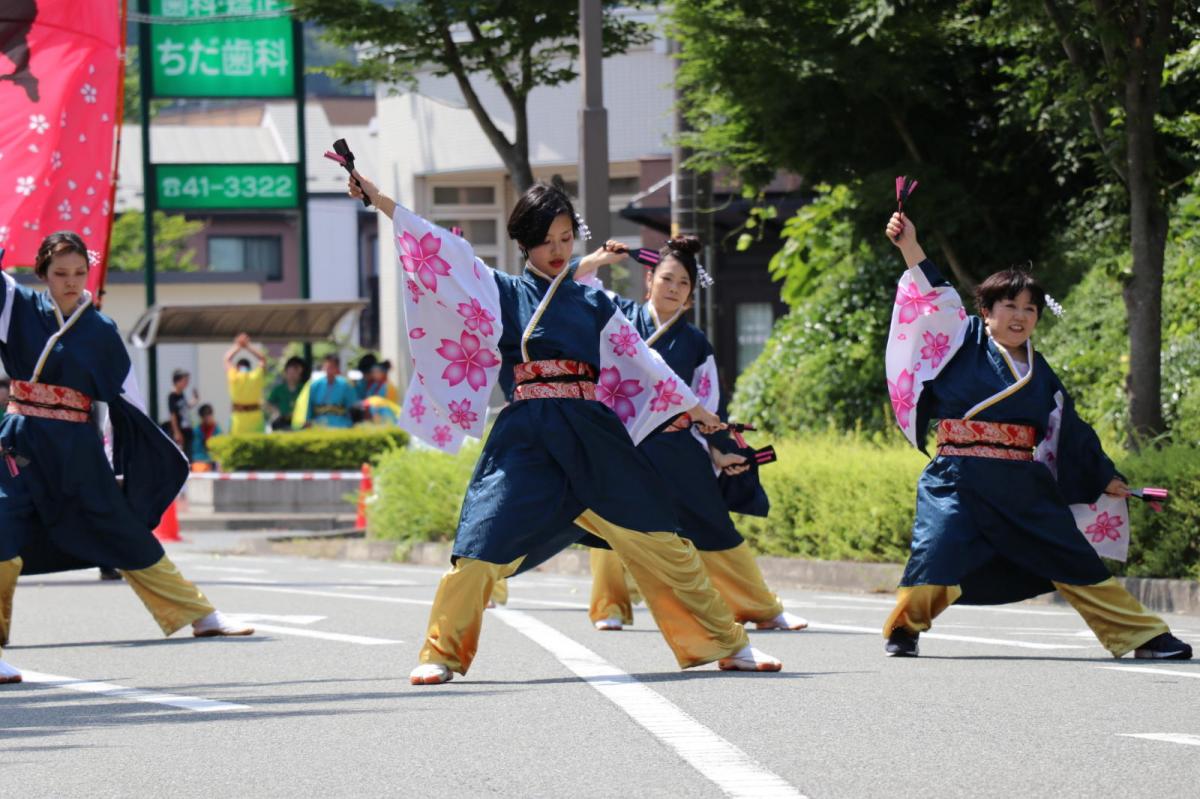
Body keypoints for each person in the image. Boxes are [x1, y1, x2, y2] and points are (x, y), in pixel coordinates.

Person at [348, 170, 783, 685]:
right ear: (524, 241)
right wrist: (378, 199)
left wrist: (709, 423)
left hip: (592, 435)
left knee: (664, 541)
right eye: (545, 241)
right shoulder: (502, 291)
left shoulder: (597, 303)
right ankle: (441, 652)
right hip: (528, 436)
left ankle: (727, 643)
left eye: (565, 239)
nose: (557, 250)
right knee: (478, 547)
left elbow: (643, 365)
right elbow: (441, 249)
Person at [879, 212, 1191, 660]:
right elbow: (936, 295)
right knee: (937, 554)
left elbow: (1072, 432)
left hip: (1021, 485)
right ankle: (904, 627)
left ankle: (1142, 636)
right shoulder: (958, 340)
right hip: (957, 479)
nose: (1020, 316)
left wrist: (1104, 475)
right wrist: (910, 244)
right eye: (1009, 306)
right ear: (986, 312)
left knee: (1073, 559)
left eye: (1030, 308)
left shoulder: (1041, 375)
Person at [0, 232, 252, 685]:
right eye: (60, 274)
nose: (71, 282)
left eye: (79, 273)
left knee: (121, 529)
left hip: (76, 446)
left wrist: (125, 457)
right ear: (41, 273)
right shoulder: (15, 306)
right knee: (0, 526)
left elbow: (125, 402)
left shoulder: (100, 330)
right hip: (21, 441)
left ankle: (200, 614)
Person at [572, 236, 807, 633]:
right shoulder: (619, 317)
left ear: (691, 296)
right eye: (667, 279)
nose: (674, 288)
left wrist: (719, 451)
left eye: (683, 283)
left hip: (676, 442)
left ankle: (760, 608)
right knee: (613, 520)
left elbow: (708, 403)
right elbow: (572, 285)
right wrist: (600, 258)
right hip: (621, 441)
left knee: (713, 523)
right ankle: (610, 607)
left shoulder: (695, 342)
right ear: (649, 280)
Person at [294, 354, 357, 429]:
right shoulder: (315, 385)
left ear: (337, 368)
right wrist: (307, 421)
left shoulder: (346, 385)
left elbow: (353, 407)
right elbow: (309, 407)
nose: (329, 369)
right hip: (319, 423)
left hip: (341, 424)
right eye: (327, 366)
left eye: (332, 367)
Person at [223, 333, 266, 435]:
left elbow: (227, 359)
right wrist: (247, 346)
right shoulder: (255, 376)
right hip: (256, 418)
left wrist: (239, 345)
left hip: (238, 419)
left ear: (237, 367)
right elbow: (262, 359)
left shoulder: (234, 376)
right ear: (250, 367)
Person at [265, 355, 307, 431]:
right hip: (283, 422)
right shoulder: (279, 389)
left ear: (300, 374)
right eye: (290, 372)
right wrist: (276, 412)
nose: (292, 375)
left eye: (295, 372)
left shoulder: (304, 388)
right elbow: (268, 403)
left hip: (300, 422)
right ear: (285, 373)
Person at [165, 369, 197, 459]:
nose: (187, 383)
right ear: (177, 381)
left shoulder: (181, 394)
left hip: (186, 428)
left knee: (188, 455)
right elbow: (173, 414)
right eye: (185, 380)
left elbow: (184, 408)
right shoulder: (172, 395)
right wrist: (176, 432)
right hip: (179, 430)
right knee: (180, 456)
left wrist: (195, 400)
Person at [359, 360, 401, 425]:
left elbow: (391, 403)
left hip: (386, 413)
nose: (374, 374)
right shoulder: (372, 385)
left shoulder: (389, 387)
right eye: (373, 372)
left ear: (383, 373)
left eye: (376, 372)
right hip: (374, 413)